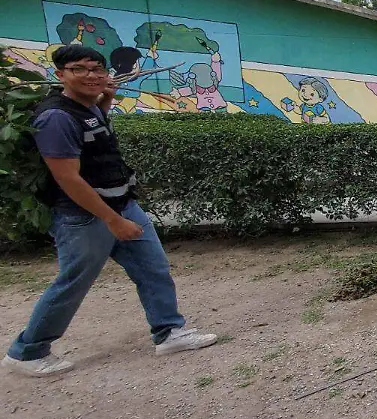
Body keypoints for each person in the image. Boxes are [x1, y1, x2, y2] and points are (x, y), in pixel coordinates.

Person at [3, 45, 218, 378]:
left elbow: (96, 143)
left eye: (97, 69)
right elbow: (67, 178)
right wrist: (112, 220)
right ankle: (27, 352)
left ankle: (169, 332)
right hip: (84, 215)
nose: (92, 75)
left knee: (153, 268)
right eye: (80, 69)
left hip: (121, 203)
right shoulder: (56, 117)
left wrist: (105, 101)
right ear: (60, 74)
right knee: (74, 282)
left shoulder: (88, 107)